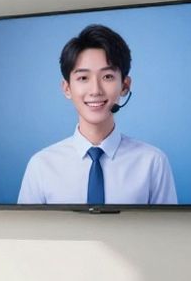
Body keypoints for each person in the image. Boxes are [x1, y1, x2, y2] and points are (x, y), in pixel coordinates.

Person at [17, 24, 177, 205]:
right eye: (83, 78)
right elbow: (24, 233)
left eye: (107, 76)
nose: (95, 90)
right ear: (67, 88)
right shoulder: (41, 165)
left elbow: (168, 232)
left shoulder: (153, 162)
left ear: (125, 86)